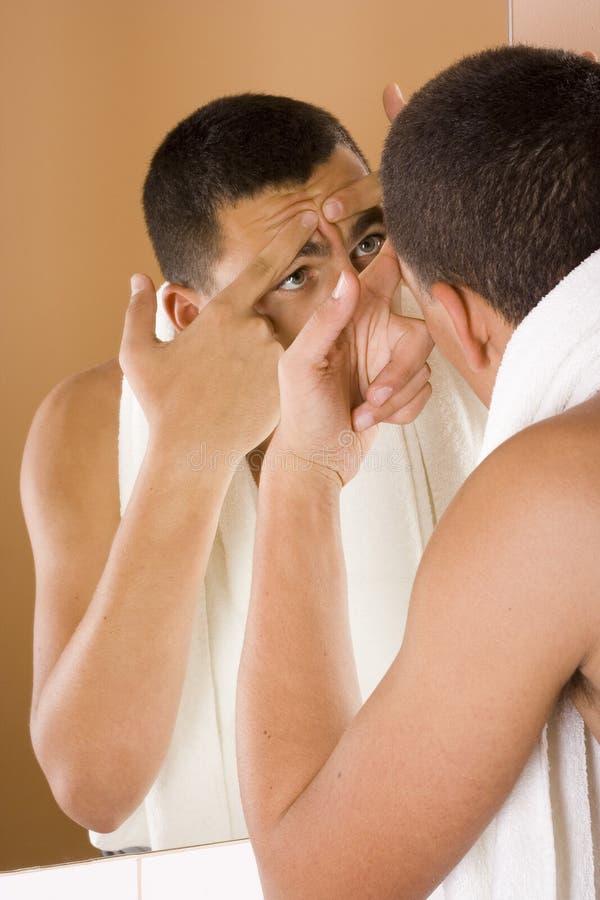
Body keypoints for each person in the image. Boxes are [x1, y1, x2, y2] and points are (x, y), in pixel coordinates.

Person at [20, 94, 485, 854]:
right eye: (298, 276)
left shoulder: (461, 333)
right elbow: (94, 788)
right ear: (190, 315)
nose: (356, 298)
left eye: (366, 243)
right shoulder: (85, 425)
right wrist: (188, 449)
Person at [194, 46, 600, 899]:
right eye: (301, 271)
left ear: (450, 313)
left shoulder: (553, 499)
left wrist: (305, 468)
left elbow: (314, 883)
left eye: (375, 247)